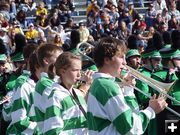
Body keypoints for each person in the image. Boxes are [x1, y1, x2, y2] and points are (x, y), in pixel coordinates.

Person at [87, 37, 167, 135]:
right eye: (121, 57)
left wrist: (128, 90)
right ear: (107, 60)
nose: (125, 62)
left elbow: (133, 115)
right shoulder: (107, 86)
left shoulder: (100, 83)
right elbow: (130, 128)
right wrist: (151, 110)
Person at [44, 52, 93, 134]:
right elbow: (52, 131)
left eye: (80, 70)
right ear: (63, 71)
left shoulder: (77, 93)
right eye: (75, 70)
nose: (79, 74)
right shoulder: (56, 96)